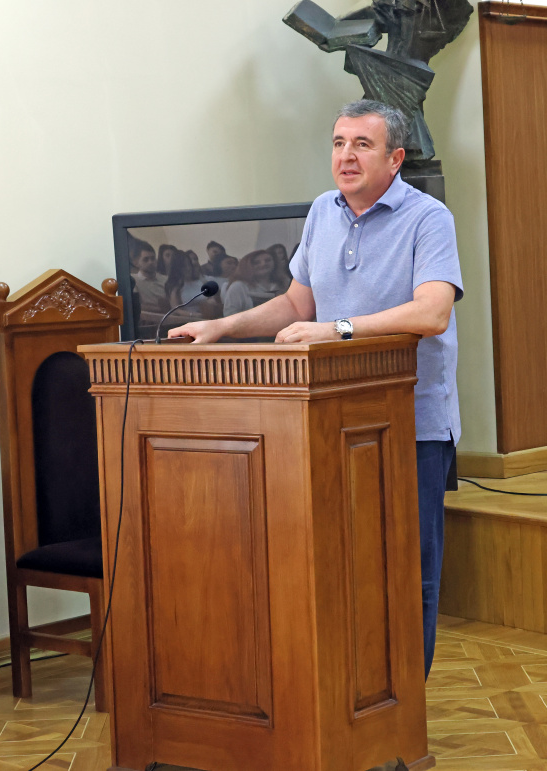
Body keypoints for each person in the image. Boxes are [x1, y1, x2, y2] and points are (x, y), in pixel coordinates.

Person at [169, 99, 463, 680]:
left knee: (408, 572)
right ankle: (352, 697)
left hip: (411, 423)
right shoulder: (322, 212)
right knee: (342, 568)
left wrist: (338, 329)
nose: (346, 156)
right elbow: (296, 305)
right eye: (338, 143)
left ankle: (403, 708)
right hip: (331, 422)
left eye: (362, 145)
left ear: (395, 158)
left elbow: (432, 313)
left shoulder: (428, 218)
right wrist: (222, 327)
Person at [223, 250, 285, 317]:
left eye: (268, 260)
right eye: (257, 263)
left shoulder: (283, 284)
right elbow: (229, 315)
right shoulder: (239, 286)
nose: (263, 264)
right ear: (247, 266)